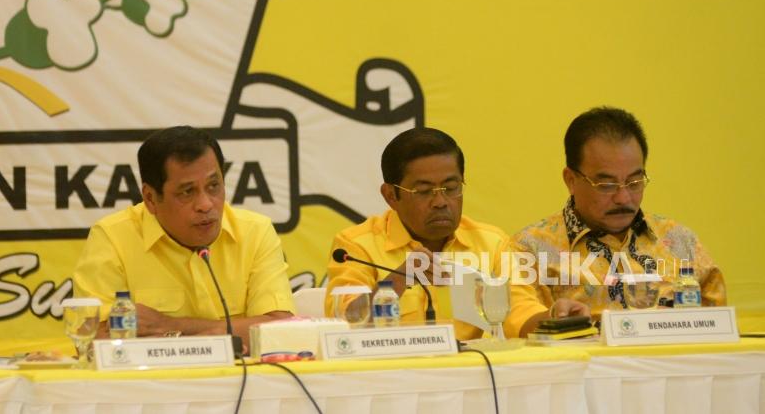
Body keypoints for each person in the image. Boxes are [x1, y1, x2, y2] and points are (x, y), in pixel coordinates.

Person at [325, 127, 588, 340]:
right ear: (391, 195)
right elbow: (345, 323)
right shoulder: (355, 247)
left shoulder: (491, 243)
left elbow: (518, 308)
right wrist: (398, 281)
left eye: (451, 187)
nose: (441, 202)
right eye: (424, 191)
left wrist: (554, 320)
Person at [509, 107, 726, 332]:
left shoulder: (680, 241)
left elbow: (719, 328)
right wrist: (554, 318)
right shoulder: (530, 248)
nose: (623, 198)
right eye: (606, 185)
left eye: (634, 182)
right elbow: (517, 322)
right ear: (571, 180)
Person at [73, 126, 294, 345]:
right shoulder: (113, 238)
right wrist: (225, 332)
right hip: (150, 380)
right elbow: (93, 337)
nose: (206, 204)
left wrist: (169, 326)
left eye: (214, 186)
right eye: (187, 192)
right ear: (150, 198)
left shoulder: (255, 232)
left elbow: (280, 328)